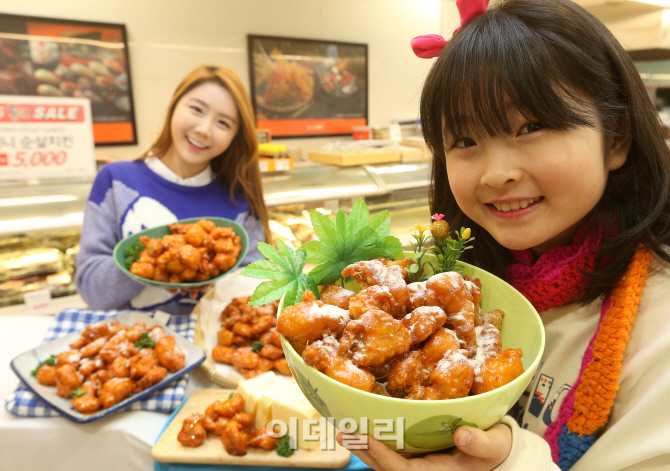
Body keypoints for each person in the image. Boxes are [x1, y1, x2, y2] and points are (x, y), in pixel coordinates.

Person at [336, 0, 670, 470]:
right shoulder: (450, 281)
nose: (495, 173)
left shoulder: (660, 333)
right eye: (465, 141)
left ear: (615, 138)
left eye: (531, 126)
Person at [75, 65, 270, 316]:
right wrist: (158, 263)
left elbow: (258, 292)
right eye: (196, 109)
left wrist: (216, 279)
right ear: (174, 105)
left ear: (235, 136)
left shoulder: (239, 196)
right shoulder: (115, 180)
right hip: (133, 346)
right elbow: (93, 292)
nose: (204, 129)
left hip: (211, 348)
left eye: (223, 123)